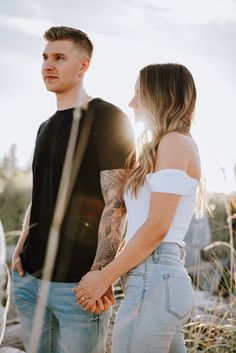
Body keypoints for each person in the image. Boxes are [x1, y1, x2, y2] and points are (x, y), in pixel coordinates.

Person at [11, 26, 134, 353]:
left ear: (83, 65)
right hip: (29, 283)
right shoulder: (44, 127)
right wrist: (21, 245)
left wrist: (100, 275)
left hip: (77, 288)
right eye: (45, 57)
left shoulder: (108, 118)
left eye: (60, 57)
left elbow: (117, 202)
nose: (48, 65)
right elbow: (41, 195)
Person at [73, 63, 201, 353]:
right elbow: (143, 226)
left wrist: (105, 277)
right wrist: (111, 274)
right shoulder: (169, 146)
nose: (131, 102)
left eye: (138, 93)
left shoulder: (175, 143)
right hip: (154, 280)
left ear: (161, 96)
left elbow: (157, 227)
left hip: (154, 281)